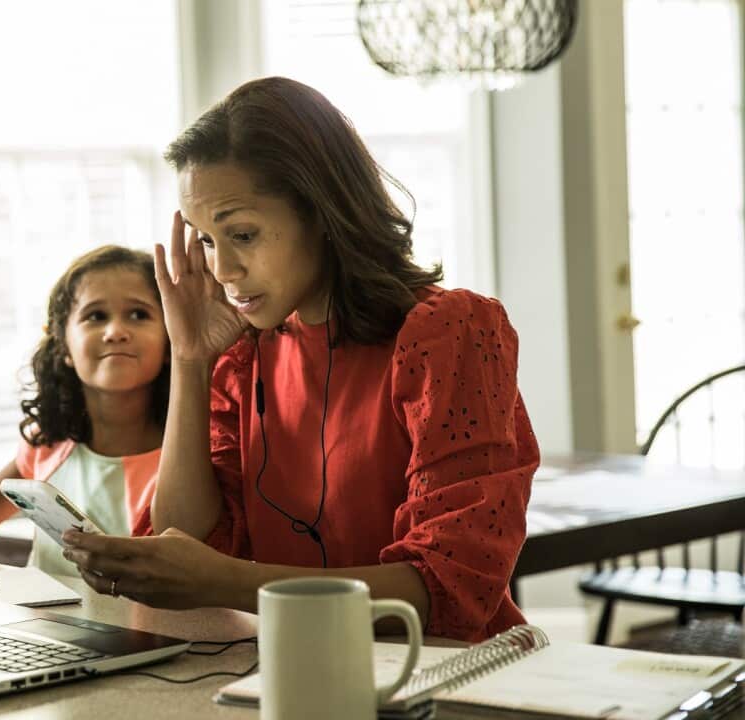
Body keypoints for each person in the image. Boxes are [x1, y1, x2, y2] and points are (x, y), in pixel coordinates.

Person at [60, 77, 539, 642]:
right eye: (207, 241)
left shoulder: (448, 331)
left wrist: (233, 584)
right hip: (293, 669)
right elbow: (181, 536)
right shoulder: (242, 356)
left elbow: (448, 587)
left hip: (441, 677)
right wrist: (190, 358)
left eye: (241, 233)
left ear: (322, 210)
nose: (222, 270)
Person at [0, 246, 170, 576]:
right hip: (46, 623)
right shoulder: (47, 441)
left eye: (138, 315)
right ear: (64, 347)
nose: (115, 331)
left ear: (170, 342)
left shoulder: (187, 455)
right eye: (96, 316)